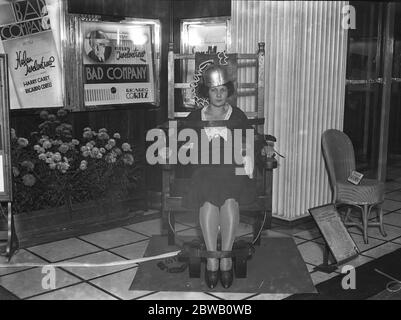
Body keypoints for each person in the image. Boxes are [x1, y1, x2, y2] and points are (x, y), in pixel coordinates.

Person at [183, 64, 255, 289]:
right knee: (208, 197)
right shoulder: (195, 116)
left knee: (229, 197)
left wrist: (249, 154)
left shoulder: (238, 115)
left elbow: (247, 143)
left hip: (231, 170)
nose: (219, 94)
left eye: (223, 90)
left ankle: (225, 258)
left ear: (228, 91)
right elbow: (185, 147)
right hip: (204, 170)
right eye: (214, 90)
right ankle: (212, 258)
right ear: (207, 92)